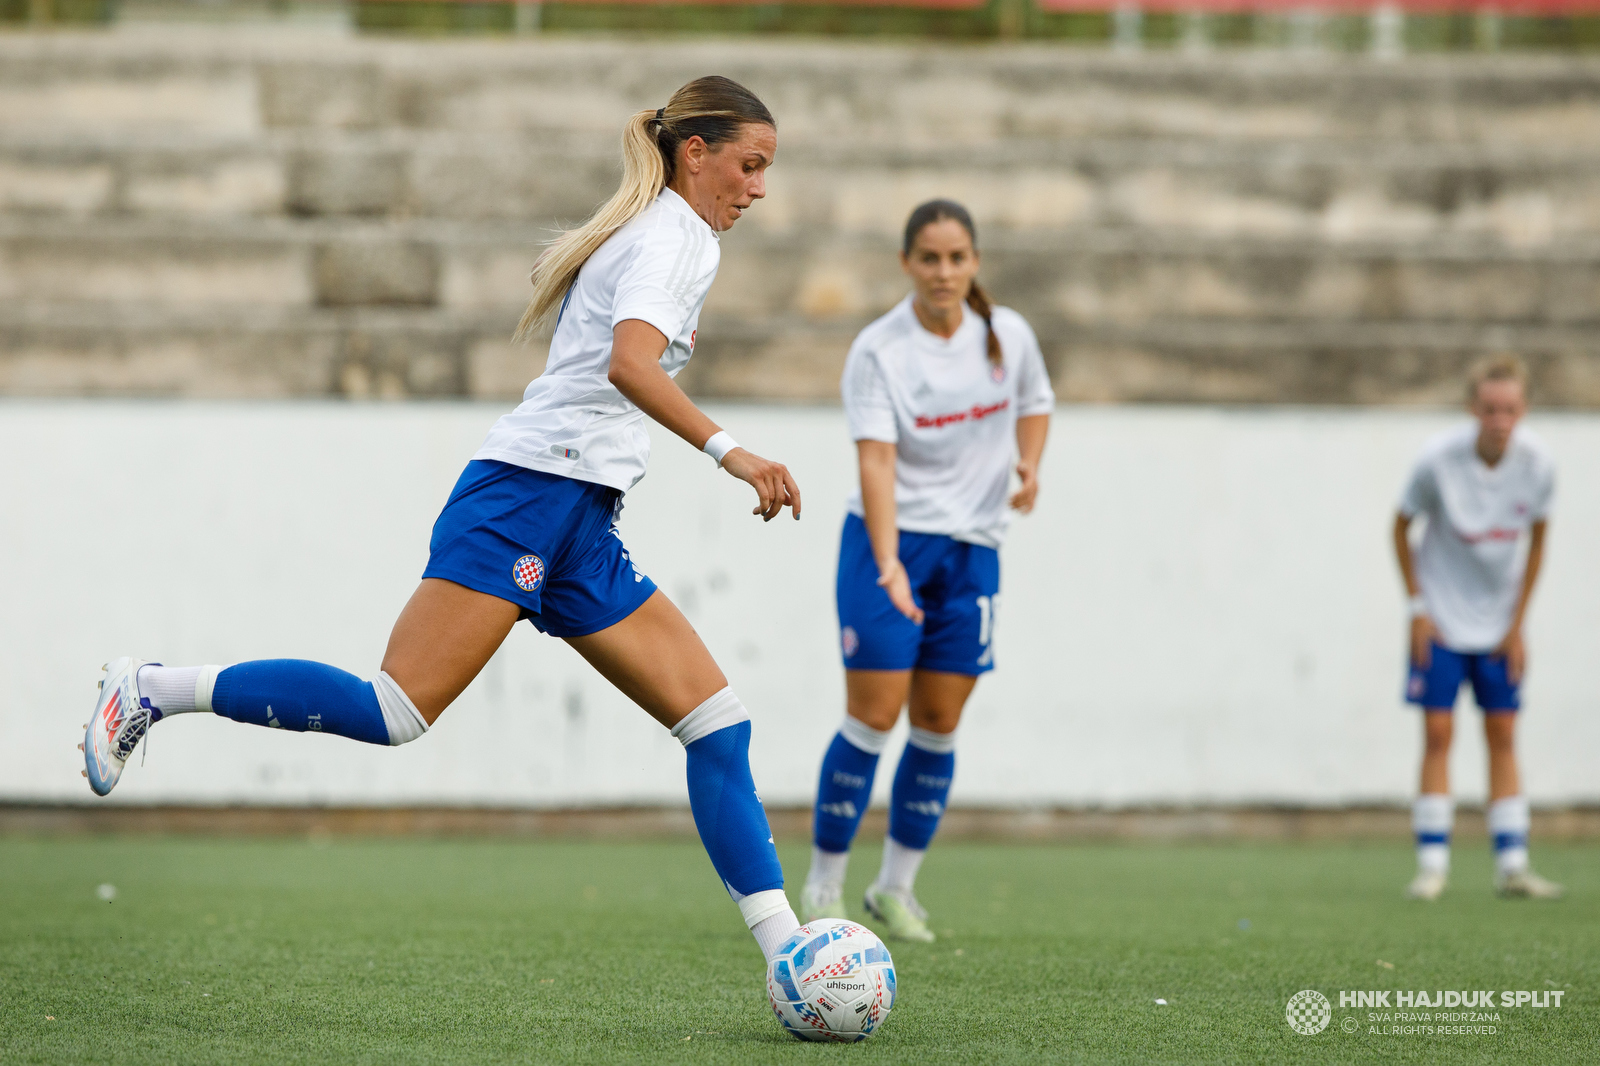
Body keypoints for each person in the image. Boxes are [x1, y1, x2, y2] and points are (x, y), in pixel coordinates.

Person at [82, 75, 807, 960]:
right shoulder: (678, 236)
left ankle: (791, 955)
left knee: (716, 722)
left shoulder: (667, 231)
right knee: (394, 709)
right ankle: (152, 690)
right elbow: (630, 366)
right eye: (750, 164)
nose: (758, 188)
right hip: (526, 499)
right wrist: (736, 453)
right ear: (696, 153)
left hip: (576, 517)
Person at [798, 200, 1054, 941]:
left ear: (975, 262)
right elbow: (875, 460)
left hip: (972, 552)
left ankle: (895, 890)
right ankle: (822, 885)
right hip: (890, 545)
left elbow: (1036, 402)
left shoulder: (1007, 335)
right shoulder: (881, 350)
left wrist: (1030, 464)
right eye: (930, 259)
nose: (945, 272)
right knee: (873, 717)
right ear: (907, 263)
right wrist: (888, 563)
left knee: (939, 723)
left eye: (958, 258)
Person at [1394, 354, 1562, 901]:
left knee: (1504, 733)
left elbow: (1538, 540)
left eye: (1509, 409)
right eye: (1489, 408)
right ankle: (1432, 866)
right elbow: (1400, 526)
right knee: (1438, 734)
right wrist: (1417, 607)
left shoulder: (1538, 465)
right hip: (1441, 620)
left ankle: (1512, 865)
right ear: (1473, 409)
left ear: (1523, 410)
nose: (1499, 419)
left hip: (1497, 624)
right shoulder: (1437, 460)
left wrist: (1518, 624)